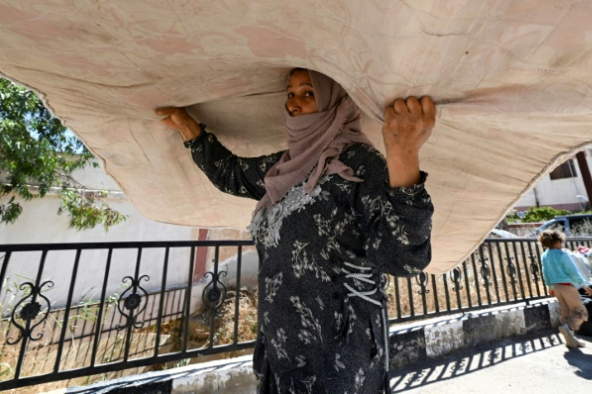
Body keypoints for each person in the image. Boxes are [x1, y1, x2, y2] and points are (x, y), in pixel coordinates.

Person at [156, 68, 436, 394]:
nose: (294, 103)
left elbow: (402, 258)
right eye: (290, 94)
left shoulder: (358, 163)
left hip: (340, 358)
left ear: (334, 103)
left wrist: (404, 157)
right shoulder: (286, 167)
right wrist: (189, 129)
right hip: (282, 352)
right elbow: (231, 174)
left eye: (308, 93)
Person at [539, 230, 592, 348]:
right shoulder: (562, 254)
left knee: (566, 313)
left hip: (556, 287)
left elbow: (545, 273)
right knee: (581, 312)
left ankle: (571, 340)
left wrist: (549, 287)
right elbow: (572, 271)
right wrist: (584, 285)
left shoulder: (544, 255)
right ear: (558, 242)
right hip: (567, 286)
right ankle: (568, 328)